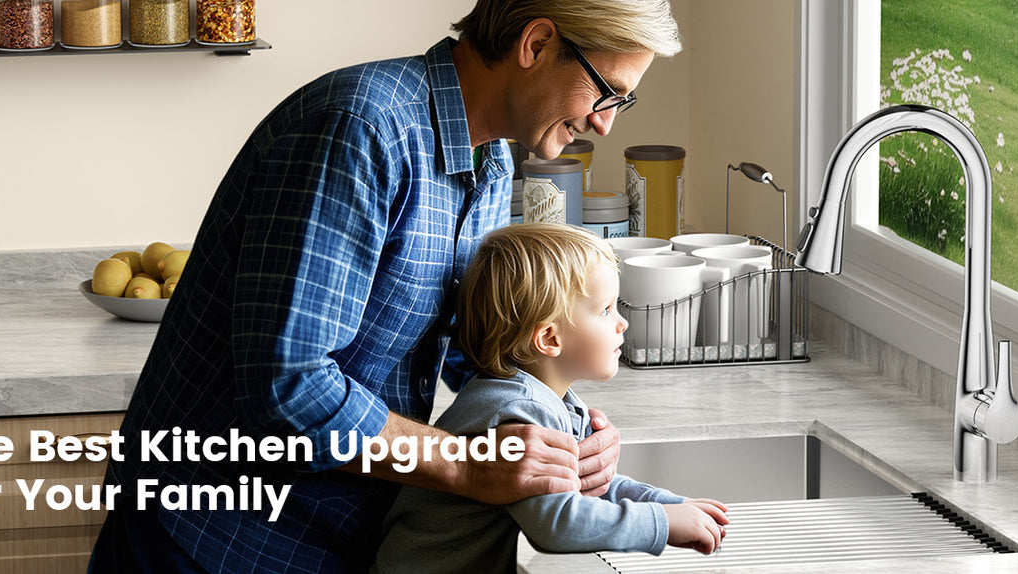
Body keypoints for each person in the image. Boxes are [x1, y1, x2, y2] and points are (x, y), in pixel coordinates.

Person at [87, 1, 682, 572]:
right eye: (606, 91)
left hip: (339, 534)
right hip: (213, 540)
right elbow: (289, 385)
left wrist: (561, 429)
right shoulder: (359, 131)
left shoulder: (491, 161)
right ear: (538, 43)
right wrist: (464, 462)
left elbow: (480, 345)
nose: (604, 121)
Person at [372, 223, 729, 573]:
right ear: (549, 339)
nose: (620, 323)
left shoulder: (541, 397)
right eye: (605, 310)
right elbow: (557, 525)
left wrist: (669, 503)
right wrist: (662, 522)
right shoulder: (518, 411)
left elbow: (587, 485)